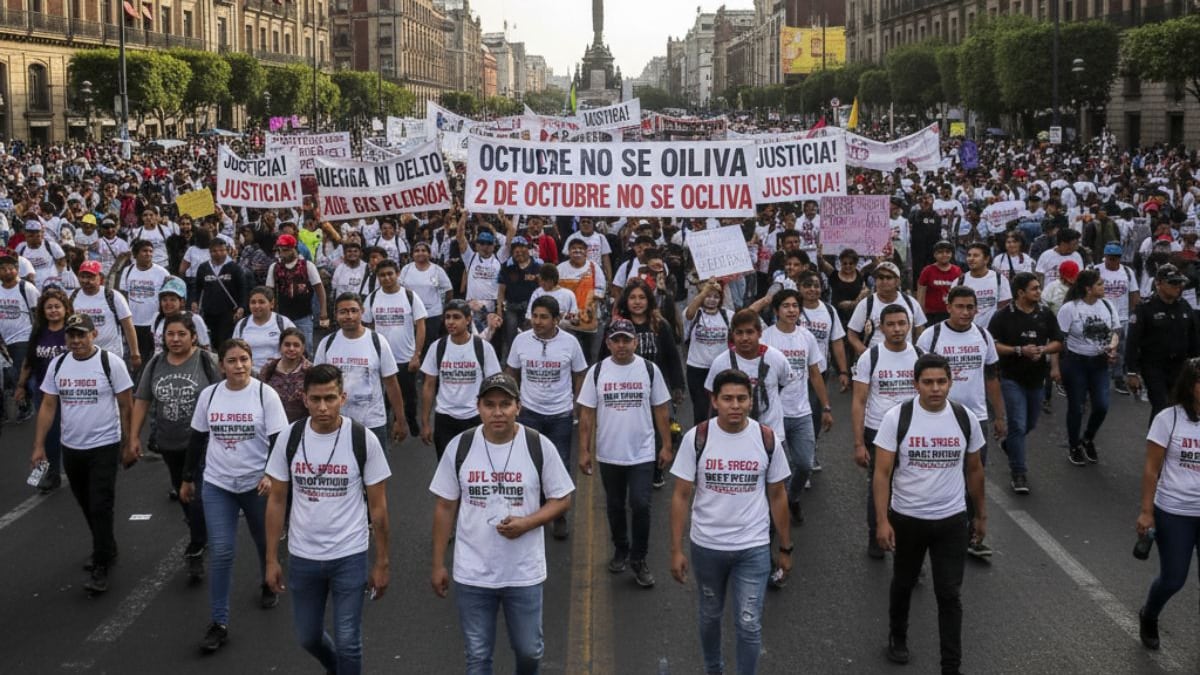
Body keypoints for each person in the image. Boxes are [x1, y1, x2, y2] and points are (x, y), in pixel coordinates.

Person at [429, 373, 574, 675]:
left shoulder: (538, 445)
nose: (498, 412)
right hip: (472, 572)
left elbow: (562, 498)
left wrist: (528, 522)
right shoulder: (461, 446)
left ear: (518, 407)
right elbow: (445, 506)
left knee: (529, 651)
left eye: (505, 404)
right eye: (490, 404)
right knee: (478, 656)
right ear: (478, 407)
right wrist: (438, 563)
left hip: (523, 573)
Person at [264, 364, 392, 675]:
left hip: (349, 554)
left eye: (330, 398)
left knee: (349, 640)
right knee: (308, 637)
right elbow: (277, 499)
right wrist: (270, 558)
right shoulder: (289, 438)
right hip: (304, 555)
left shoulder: (363, 440)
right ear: (304, 398)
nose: (323, 407)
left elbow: (378, 508)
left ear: (343, 397)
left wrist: (382, 562)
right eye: (316, 399)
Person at [668, 368, 792, 675]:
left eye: (741, 398)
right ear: (714, 400)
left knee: (749, 622)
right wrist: (676, 549)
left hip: (753, 548)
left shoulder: (767, 439)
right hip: (707, 547)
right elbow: (681, 495)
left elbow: (777, 496)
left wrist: (786, 548)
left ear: (751, 401)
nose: (734, 405)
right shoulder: (696, 438)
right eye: (727, 399)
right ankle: (714, 669)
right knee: (710, 614)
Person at [873, 353, 986, 675]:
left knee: (949, 594)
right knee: (905, 581)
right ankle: (898, 634)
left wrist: (981, 516)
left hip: (952, 521)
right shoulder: (898, 418)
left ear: (950, 383)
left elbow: (975, 470)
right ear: (916, 384)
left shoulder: (964, 418)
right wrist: (882, 521)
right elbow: (882, 473)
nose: (935, 389)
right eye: (928, 382)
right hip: (907, 518)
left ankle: (951, 665)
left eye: (941, 382)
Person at [181, 338, 289, 652]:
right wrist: (187, 479)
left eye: (244, 359)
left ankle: (267, 580)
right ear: (221, 365)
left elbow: (279, 441)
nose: (239, 366)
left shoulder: (264, 394)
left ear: (251, 361)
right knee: (223, 551)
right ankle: (219, 622)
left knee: (262, 540)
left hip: (257, 485)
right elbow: (198, 438)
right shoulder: (210, 395)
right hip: (218, 484)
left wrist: (271, 474)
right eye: (232, 360)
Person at [30, 313, 136, 595]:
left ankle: (101, 564)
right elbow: (49, 405)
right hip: (72, 447)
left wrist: (129, 443)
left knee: (101, 503)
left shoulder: (110, 363)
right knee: (87, 503)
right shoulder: (58, 364)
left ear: (94, 334)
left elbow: (126, 405)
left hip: (105, 445)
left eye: (82, 335)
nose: (76, 341)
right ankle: (107, 546)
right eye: (71, 335)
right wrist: (39, 446)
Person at [578, 319, 673, 588]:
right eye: (616, 340)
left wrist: (666, 445)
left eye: (626, 340)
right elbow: (586, 414)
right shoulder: (597, 372)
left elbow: (661, 410)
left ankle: (638, 558)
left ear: (636, 342)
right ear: (608, 343)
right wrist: (584, 451)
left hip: (642, 453)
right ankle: (621, 547)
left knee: (642, 505)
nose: (621, 345)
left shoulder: (649, 370)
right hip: (609, 453)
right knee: (615, 505)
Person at [916, 286, 1005, 558]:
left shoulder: (983, 335)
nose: (966, 312)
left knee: (973, 477)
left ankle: (968, 535)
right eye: (960, 307)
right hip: (939, 417)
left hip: (976, 419)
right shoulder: (931, 336)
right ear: (949, 307)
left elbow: (991, 377)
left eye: (971, 307)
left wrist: (999, 416)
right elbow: (918, 379)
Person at [130, 314, 221, 582]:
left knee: (198, 495)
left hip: (204, 444)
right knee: (184, 495)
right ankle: (199, 532)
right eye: (170, 334)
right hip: (169, 443)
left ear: (193, 336)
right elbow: (143, 399)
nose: (176, 339)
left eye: (181, 333)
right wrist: (133, 437)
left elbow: (225, 393)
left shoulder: (206, 361)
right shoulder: (156, 363)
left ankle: (196, 545)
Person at [505, 295, 587, 539]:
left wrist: (577, 405)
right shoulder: (520, 341)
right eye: (535, 316)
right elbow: (511, 372)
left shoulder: (570, 343)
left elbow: (580, 374)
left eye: (544, 317)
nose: (537, 322)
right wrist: (513, 402)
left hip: (560, 416)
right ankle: (532, 514)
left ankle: (558, 515)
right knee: (529, 466)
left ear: (557, 320)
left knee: (559, 466)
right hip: (529, 414)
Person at [1135, 358, 1200, 651]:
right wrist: (1147, 512)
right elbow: (1151, 469)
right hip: (1174, 512)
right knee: (1174, 579)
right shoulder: (1168, 419)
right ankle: (1149, 614)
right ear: (1190, 386)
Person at [852, 304, 922, 559]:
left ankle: (909, 547)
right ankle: (876, 534)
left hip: (913, 436)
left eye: (902, 324)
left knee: (911, 490)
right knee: (880, 484)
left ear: (909, 325)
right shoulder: (870, 357)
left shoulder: (920, 355)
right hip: (878, 433)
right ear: (882, 328)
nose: (897, 329)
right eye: (891, 324)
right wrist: (859, 443)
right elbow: (859, 400)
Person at [762, 288, 833, 529]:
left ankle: (792, 499)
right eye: (786, 306)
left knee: (804, 464)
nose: (792, 310)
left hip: (802, 412)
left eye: (795, 306)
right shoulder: (765, 337)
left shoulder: (807, 337)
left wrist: (825, 406)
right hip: (773, 415)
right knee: (776, 472)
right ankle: (773, 518)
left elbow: (815, 373)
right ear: (776, 311)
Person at [988, 273, 1064, 494]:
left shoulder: (1045, 314)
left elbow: (1058, 341)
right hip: (1011, 378)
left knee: (1029, 424)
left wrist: (1044, 351)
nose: (1039, 292)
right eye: (1034, 289)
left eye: (1039, 288)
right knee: (1018, 424)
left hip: (1036, 380)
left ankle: (1008, 444)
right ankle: (1018, 473)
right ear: (1020, 293)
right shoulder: (1002, 316)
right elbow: (992, 345)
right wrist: (1019, 350)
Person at [605, 277, 685, 487]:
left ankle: (657, 469)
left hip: (657, 388)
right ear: (626, 301)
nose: (637, 302)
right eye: (632, 297)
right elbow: (603, 359)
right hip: (627, 388)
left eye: (642, 297)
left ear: (649, 300)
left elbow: (672, 358)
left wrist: (678, 386)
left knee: (661, 429)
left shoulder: (660, 325)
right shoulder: (617, 327)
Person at [315, 292, 409, 450]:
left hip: (373, 423)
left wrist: (400, 420)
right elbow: (317, 384)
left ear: (362, 312)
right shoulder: (327, 343)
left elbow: (392, 384)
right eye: (343, 312)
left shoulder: (378, 341)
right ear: (336, 314)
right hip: (336, 422)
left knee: (376, 473)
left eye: (353, 310)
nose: (349, 316)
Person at [420, 298, 503, 459]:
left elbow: (494, 386)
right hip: (445, 418)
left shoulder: (483, 348)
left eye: (456, 317)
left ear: (468, 320)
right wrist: (425, 423)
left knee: (476, 469)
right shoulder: (437, 347)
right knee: (447, 471)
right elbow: (428, 386)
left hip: (475, 418)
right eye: (447, 317)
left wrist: (495, 420)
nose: (450, 322)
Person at [1057, 268, 1121, 465]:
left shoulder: (1108, 306)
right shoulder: (1070, 308)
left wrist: (1112, 347)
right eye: (1100, 284)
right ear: (1088, 288)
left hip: (1099, 363)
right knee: (1076, 407)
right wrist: (1056, 367)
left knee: (1101, 405)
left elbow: (1115, 331)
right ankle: (1074, 444)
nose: (1104, 287)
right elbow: (1059, 338)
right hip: (1076, 363)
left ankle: (1088, 438)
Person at [14, 287, 71, 492]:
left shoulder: (72, 331)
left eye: (57, 306)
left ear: (66, 309)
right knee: (48, 435)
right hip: (44, 392)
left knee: (74, 433)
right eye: (49, 307)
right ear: (43, 311)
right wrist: (21, 385)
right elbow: (29, 361)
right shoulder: (38, 331)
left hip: (70, 393)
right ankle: (50, 473)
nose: (53, 311)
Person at [1126, 264, 1200, 421]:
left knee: (1181, 407)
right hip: (1153, 366)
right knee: (1162, 406)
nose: (1177, 287)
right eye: (1172, 283)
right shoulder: (1145, 309)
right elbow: (1132, 342)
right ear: (1158, 283)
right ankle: (1155, 443)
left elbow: (1194, 339)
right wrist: (1132, 372)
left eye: (1179, 283)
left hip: (1180, 366)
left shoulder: (1185, 307)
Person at [363, 259, 427, 437]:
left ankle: (410, 420)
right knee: (383, 396)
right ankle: (389, 425)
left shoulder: (410, 296)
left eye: (390, 274)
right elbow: (367, 325)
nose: (386, 278)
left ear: (397, 274)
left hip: (405, 358)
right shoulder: (373, 298)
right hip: (380, 357)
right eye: (382, 275)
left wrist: (417, 355)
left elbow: (421, 326)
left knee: (409, 394)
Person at [266, 233, 329, 354]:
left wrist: (323, 312)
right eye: (280, 250)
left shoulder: (307, 266)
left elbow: (320, 289)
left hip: (304, 315)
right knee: (283, 349)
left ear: (294, 248)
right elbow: (269, 292)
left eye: (285, 250)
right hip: (282, 315)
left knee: (306, 349)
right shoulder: (274, 267)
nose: (282, 253)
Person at [70, 260, 140, 368]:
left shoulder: (113, 296)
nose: (86, 281)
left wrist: (135, 353)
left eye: (91, 277)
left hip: (111, 356)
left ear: (100, 278)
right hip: (82, 357)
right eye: (82, 277)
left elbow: (128, 326)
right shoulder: (73, 297)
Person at [847, 262, 927, 355]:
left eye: (888, 278)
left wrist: (916, 352)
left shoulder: (911, 303)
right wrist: (865, 353)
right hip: (876, 360)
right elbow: (852, 333)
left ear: (897, 281)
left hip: (905, 358)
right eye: (880, 278)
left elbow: (920, 330)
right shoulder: (866, 304)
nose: (884, 281)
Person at [683, 279, 732, 424]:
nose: (711, 300)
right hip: (697, 368)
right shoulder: (695, 312)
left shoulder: (727, 315)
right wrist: (706, 289)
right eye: (708, 296)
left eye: (716, 297)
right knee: (701, 409)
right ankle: (700, 439)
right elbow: (689, 314)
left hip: (720, 369)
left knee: (720, 408)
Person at [1095, 241, 1140, 394]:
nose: (1113, 261)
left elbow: (1134, 293)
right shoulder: (1096, 270)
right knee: (1101, 348)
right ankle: (1101, 378)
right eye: (1110, 258)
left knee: (1120, 348)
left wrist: (1135, 312)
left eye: (1116, 258)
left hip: (1121, 318)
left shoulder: (1127, 272)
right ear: (1105, 257)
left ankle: (1118, 377)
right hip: (1101, 317)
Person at [0, 251, 39, 421]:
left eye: (11, 267)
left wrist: (38, 336)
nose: (7, 271)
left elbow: (37, 314)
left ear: (17, 269)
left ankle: (26, 404)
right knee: (11, 375)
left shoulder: (26, 288)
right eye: (2, 268)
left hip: (23, 337)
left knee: (20, 373)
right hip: (4, 339)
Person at [119, 239, 170, 365]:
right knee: (135, 356)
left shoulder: (162, 272)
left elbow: (168, 296)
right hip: (133, 323)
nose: (148, 254)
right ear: (135, 254)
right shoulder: (128, 271)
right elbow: (123, 294)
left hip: (153, 323)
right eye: (144, 251)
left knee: (152, 356)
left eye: (150, 251)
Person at [399, 241, 453, 353]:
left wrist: (444, 308)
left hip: (432, 314)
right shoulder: (406, 269)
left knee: (429, 346)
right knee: (412, 345)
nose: (420, 253)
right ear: (412, 254)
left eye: (423, 250)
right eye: (417, 251)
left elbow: (448, 290)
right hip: (410, 314)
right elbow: (399, 287)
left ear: (429, 254)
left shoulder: (437, 270)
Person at [195, 237, 248, 349]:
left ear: (226, 251)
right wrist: (194, 302)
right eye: (214, 251)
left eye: (221, 250)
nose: (218, 253)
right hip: (209, 311)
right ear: (210, 252)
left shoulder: (234, 268)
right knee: (212, 340)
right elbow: (197, 287)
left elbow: (243, 288)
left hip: (229, 311)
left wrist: (242, 307)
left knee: (225, 340)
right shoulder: (203, 268)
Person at [234, 287, 296, 375]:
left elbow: (297, 349)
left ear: (272, 304)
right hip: (249, 375)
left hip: (277, 374)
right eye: (253, 302)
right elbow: (234, 351)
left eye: (261, 302)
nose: (257, 306)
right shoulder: (242, 325)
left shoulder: (283, 323)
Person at [496, 236, 541, 360]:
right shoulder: (506, 266)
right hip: (511, 307)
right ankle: (511, 363)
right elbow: (501, 291)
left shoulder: (538, 265)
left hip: (531, 309)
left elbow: (545, 287)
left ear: (528, 248)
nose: (518, 251)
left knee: (531, 336)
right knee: (510, 337)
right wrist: (499, 310)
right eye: (515, 248)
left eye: (522, 247)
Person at [259, 328, 312, 423]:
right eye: (287, 345)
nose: (291, 348)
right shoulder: (268, 369)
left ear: (303, 348)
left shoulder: (311, 371)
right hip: (273, 425)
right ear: (280, 347)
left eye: (296, 345)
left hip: (302, 426)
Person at [151, 276, 212, 355]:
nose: (168, 303)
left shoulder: (194, 319)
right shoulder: (157, 318)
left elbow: (206, 348)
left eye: (173, 299)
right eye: (164, 299)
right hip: (160, 365)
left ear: (182, 302)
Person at [956, 242, 1011, 328]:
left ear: (986, 259)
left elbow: (1004, 307)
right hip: (966, 331)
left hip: (993, 331)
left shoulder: (1000, 280)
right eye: (969, 255)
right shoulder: (959, 282)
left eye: (976, 256)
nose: (971, 259)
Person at [917, 240, 962, 326]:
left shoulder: (957, 271)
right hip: (931, 315)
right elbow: (921, 295)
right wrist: (921, 316)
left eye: (947, 252)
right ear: (934, 255)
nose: (944, 255)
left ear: (952, 254)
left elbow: (960, 293)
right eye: (940, 252)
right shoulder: (927, 270)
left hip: (950, 313)